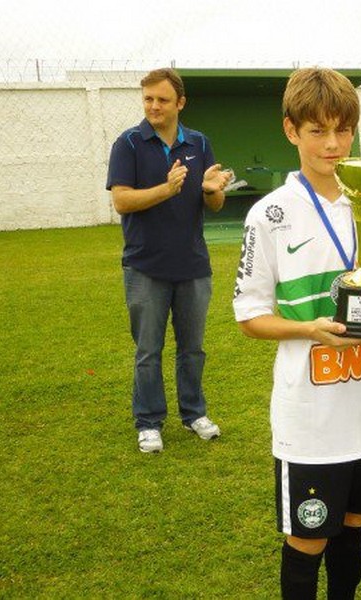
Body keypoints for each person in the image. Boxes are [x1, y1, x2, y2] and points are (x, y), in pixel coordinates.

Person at [232, 67, 361, 600]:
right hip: (309, 418)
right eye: (317, 131)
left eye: (344, 131)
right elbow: (249, 315)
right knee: (307, 541)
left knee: (355, 526)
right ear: (291, 130)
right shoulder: (271, 215)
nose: (333, 145)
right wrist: (310, 329)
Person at [106, 68, 232, 453]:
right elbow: (122, 201)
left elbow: (213, 201)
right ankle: (148, 422)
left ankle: (194, 413)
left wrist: (211, 190)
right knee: (148, 350)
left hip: (193, 265)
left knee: (193, 348)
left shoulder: (199, 142)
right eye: (148, 99)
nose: (154, 106)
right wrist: (167, 188)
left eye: (162, 99)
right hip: (145, 266)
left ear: (180, 103)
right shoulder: (127, 143)